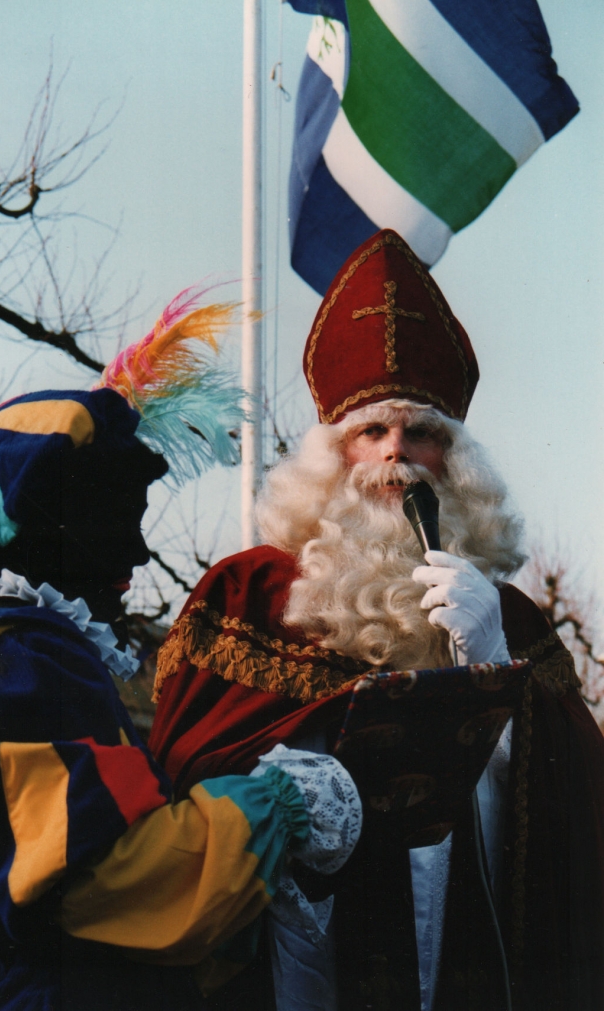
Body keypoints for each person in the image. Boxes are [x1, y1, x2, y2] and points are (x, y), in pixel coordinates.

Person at [149, 230, 604, 1011]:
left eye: (422, 432)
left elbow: (579, 827)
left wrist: (501, 684)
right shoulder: (246, 596)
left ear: (454, 463)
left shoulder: (518, 619)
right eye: (372, 431)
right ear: (333, 456)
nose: (396, 454)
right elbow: (185, 772)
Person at [0, 295, 362, 1010]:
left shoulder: (21, 649)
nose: (139, 550)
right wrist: (278, 803)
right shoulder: (18, 663)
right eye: (116, 520)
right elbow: (112, 879)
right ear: (44, 528)